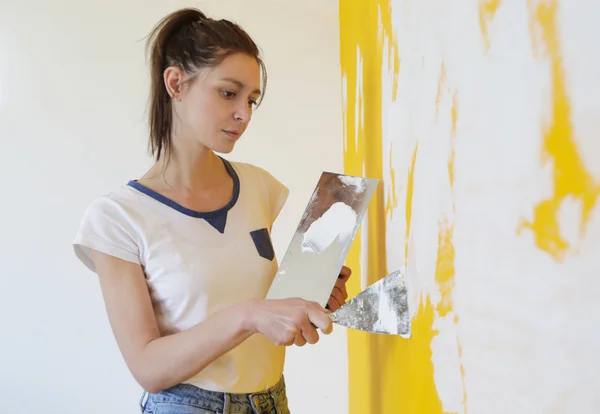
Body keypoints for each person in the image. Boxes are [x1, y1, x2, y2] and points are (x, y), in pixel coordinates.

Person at [72, 7, 352, 414]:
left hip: (273, 401)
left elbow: (252, 302)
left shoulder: (259, 187)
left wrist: (309, 301)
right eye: (228, 93)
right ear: (176, 83)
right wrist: (251, 316)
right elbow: (148, 367)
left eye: (252, 99)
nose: (244, 114)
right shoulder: (117, 218)